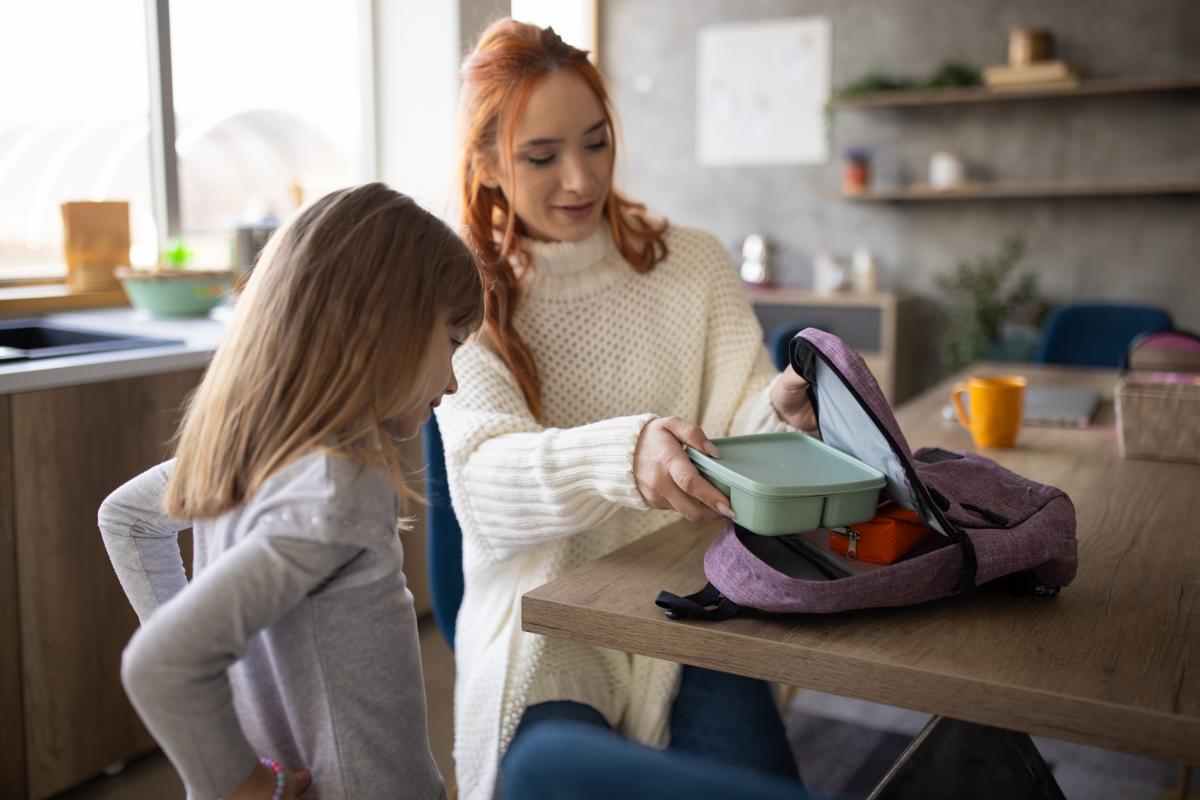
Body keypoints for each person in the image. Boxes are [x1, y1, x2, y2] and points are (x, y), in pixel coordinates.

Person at [437, 19, 816, 800]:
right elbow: (481, 479)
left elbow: (738, 431)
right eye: (541, 157)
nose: (579, 179)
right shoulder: (461, 290)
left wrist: (781, 409)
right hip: (547, 626)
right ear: (486, 164)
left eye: (597, 142)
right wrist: (626, 454)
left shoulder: (695, 264)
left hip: (693, 606)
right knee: (554, 781)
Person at [98, 183, 483, 800]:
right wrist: (240, 786)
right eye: (452, 343)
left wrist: (219, 693)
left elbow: (127, 520)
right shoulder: (341, 485)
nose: (455, 381)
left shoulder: (245, 456)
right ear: (388, 329)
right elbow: (162, 663)